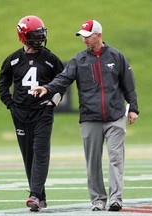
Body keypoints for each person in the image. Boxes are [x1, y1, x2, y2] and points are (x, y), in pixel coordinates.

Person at [31, 19, 139, 212]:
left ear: (99, 35)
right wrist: (47, 88)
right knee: (93, 162)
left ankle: (116, 199)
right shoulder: (79, 60)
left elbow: (128, 84)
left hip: (115, 116)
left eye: (88, 36)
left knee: (116, 158)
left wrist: (133, 109)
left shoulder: (116, 56)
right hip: (90, 118)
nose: (84, 40)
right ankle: (98, 200)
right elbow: (63, 79)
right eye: (82, 36)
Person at [0, 15, 64, 211]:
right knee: (28, 155)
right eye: (35, 35)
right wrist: (10, 103)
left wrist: (53, 100)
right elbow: (3, 83)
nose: (40, 39)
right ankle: (40, 196)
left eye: (41, 34)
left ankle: (34, 194)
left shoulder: (51, 59)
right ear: (23, 36)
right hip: (20, 113)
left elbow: (63, 82)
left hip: (43, 111)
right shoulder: (12, 60)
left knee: (41, 152)